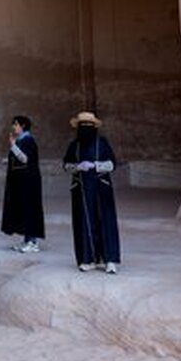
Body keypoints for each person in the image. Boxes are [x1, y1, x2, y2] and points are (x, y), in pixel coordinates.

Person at [63, 111, 121, 274]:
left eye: (88, 126)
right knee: (84, 222)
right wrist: (77, 167)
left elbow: (112, 164)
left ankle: (109, 259)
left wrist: (95, 165)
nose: (85, 129)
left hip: (101, 188)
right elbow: (66, 165)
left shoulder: (102, 143)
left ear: (94, 127)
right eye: (82, 126)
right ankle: (87, 259)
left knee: (106, 221)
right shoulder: (74, 145)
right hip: (81, 189)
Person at [1, 115, 44, 253]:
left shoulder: (29, 141)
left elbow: (25, 159)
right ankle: (27, 240)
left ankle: (32, 241)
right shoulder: (21, 141)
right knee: (23, 210)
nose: (13, 127)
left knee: (30, 210)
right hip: (21, 183)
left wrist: (13, 146)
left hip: (29, 183)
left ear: (23, 126)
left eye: (16, 124)